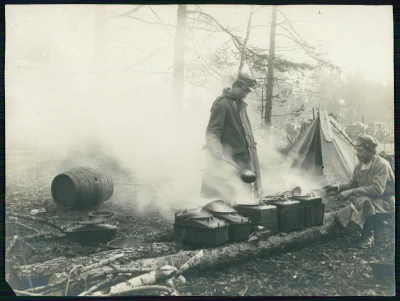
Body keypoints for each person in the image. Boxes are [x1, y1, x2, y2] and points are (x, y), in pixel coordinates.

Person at [324, 134, 395, 249]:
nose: (357, 153)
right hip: (371, 201)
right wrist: (337, 187)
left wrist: (351, 191)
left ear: (371, 151)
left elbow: (377, 189)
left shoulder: (381, 165)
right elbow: (352, 183)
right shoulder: (360, 165)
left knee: (362, 201)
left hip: (385, 202)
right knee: (345, 213)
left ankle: (368, 236)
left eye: (360, 151)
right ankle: (361, 224)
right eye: (356, 150)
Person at [200, 73, 263, 203]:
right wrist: (215, 149)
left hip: (243, 159)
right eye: (245, 90)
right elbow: (213, 131)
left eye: (248, 91)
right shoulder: (221, 104)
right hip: (229, 159)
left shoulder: (240, 104)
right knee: (225, 197)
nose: (246, 93)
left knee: (243, 198)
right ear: (236, 85)